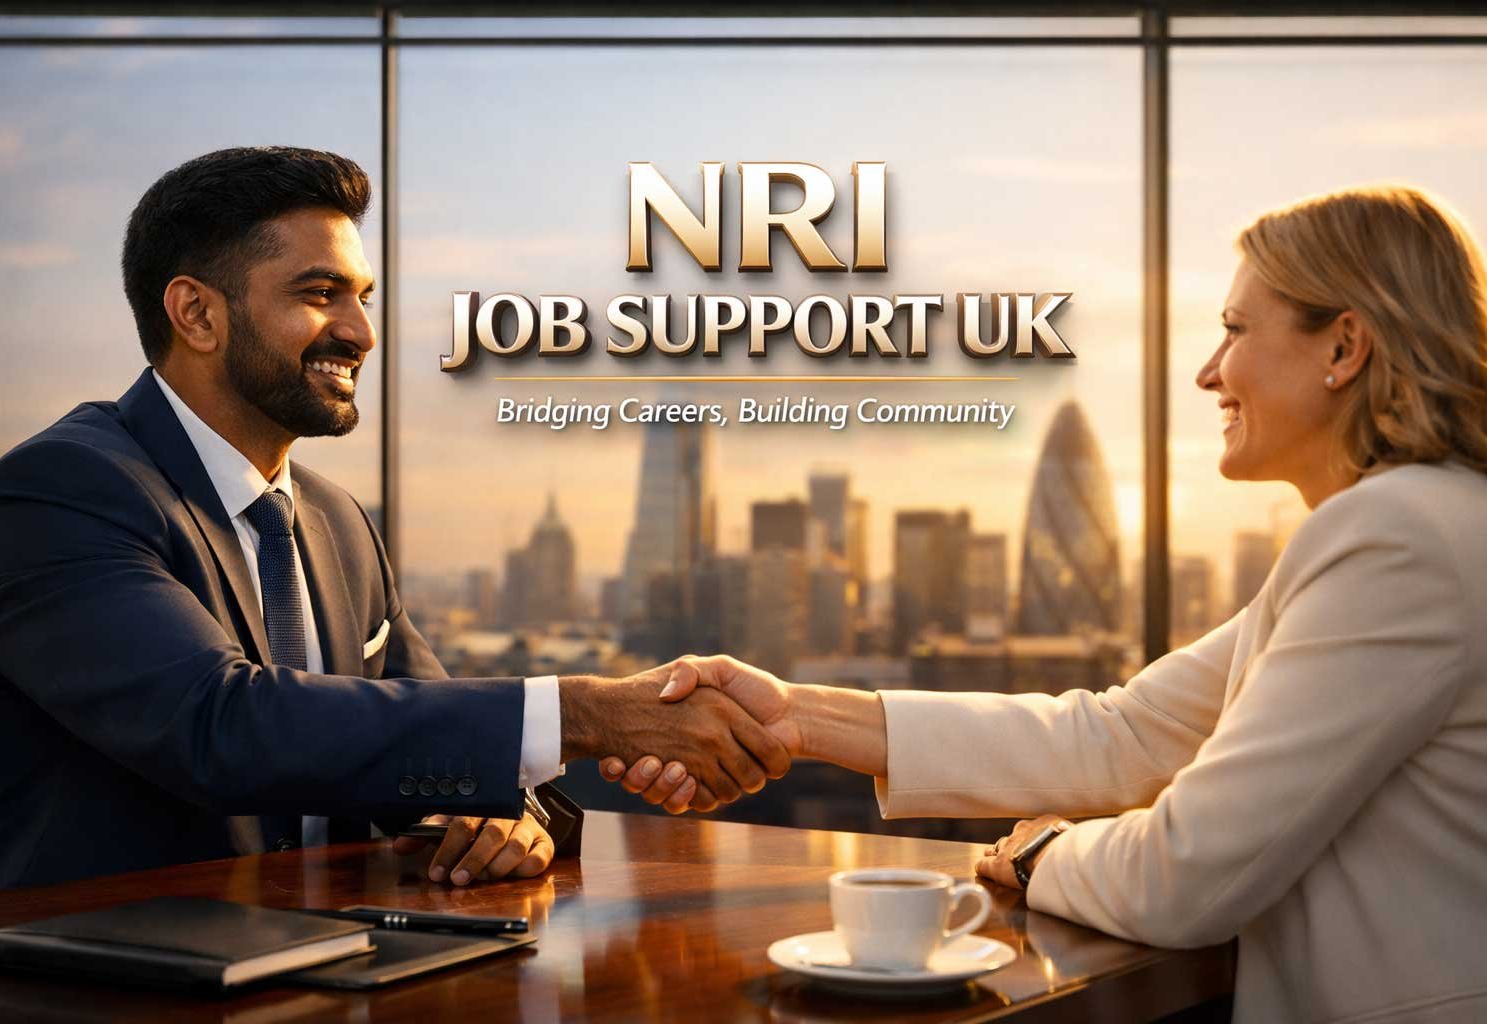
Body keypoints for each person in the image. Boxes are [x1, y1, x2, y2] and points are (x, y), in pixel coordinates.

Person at [607, 185, 1487, 1023]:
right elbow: (1123, 733)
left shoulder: (1393, 539)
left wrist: (1039, 855)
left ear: (1344, 347)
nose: (1208, 372)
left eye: (1233, 330)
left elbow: (1185, 877)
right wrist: (796, 716)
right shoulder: (1415, 526)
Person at [0, 146, 787, 896]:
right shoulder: (59, 494)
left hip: (327, 967)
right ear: (196, 314)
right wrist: (593, 711)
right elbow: (220, 726)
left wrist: (489, 814)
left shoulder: (337, 521)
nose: (360, 333)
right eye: (320, 295)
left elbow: (418, 725)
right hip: (88, 985)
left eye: (362, 297)